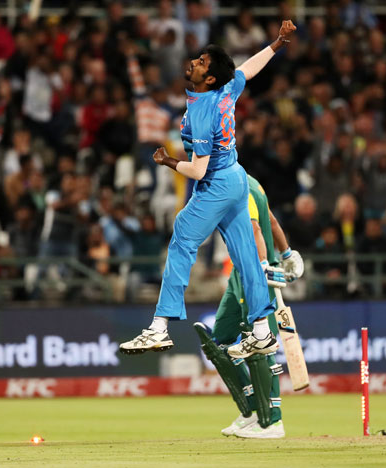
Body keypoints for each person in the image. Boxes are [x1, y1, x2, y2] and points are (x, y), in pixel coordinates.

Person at [119, 21, 301, 359]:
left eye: (202, 63)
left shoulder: (203, 111)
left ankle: (159, 328)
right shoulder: (225, 91)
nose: (195, 62)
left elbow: (198, 169)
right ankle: (262, 332)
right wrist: (276, 44)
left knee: (183, 238)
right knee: (246, 256)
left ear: (210, 78)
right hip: (235, 176)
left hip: (216, 182)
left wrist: (169, 162)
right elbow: (248, 69)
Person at [195, 174, 302, 439]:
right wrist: (288, 254)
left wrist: (263, 265)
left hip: (254, 271)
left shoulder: (234, 183)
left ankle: (272, 421)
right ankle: (252, 413)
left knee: (259, 340)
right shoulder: (250, 182)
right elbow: (272, 221)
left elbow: (255, 227)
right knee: (219, 339)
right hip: (238, 272)